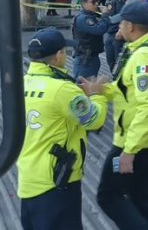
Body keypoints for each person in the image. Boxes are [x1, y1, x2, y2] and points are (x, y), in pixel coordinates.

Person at [95, 0, 148, 230]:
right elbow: (128, 87)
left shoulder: (143, 57)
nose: (118, 27)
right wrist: (103, 90)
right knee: (140, 196)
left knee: (108, 196)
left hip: (138, 142)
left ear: (130, 26)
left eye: (120, 23)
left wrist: (129, 152)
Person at [17, 29, 108, 230]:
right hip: (57, 183)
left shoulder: (21, 83)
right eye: (65, 51)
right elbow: (93, 120)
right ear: (58, 55)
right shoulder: (62, 89)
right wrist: (96, 94)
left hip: (28, 178)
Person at [72, 0, 109, 79]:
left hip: (90, 57)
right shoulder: (84, 19)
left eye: (97, 1)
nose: (97, 4)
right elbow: (99, 30)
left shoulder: (89, 16)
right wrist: (105, 15)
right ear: (84, 3)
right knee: (84, 85)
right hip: (85, 58)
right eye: (93, 2)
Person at [101, 0, 135, 71]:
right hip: (110, 33)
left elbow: (129, 14)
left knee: (119, 61)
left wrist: (121, 30)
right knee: (110, 59)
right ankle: (114, 77)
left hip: (120, 34)